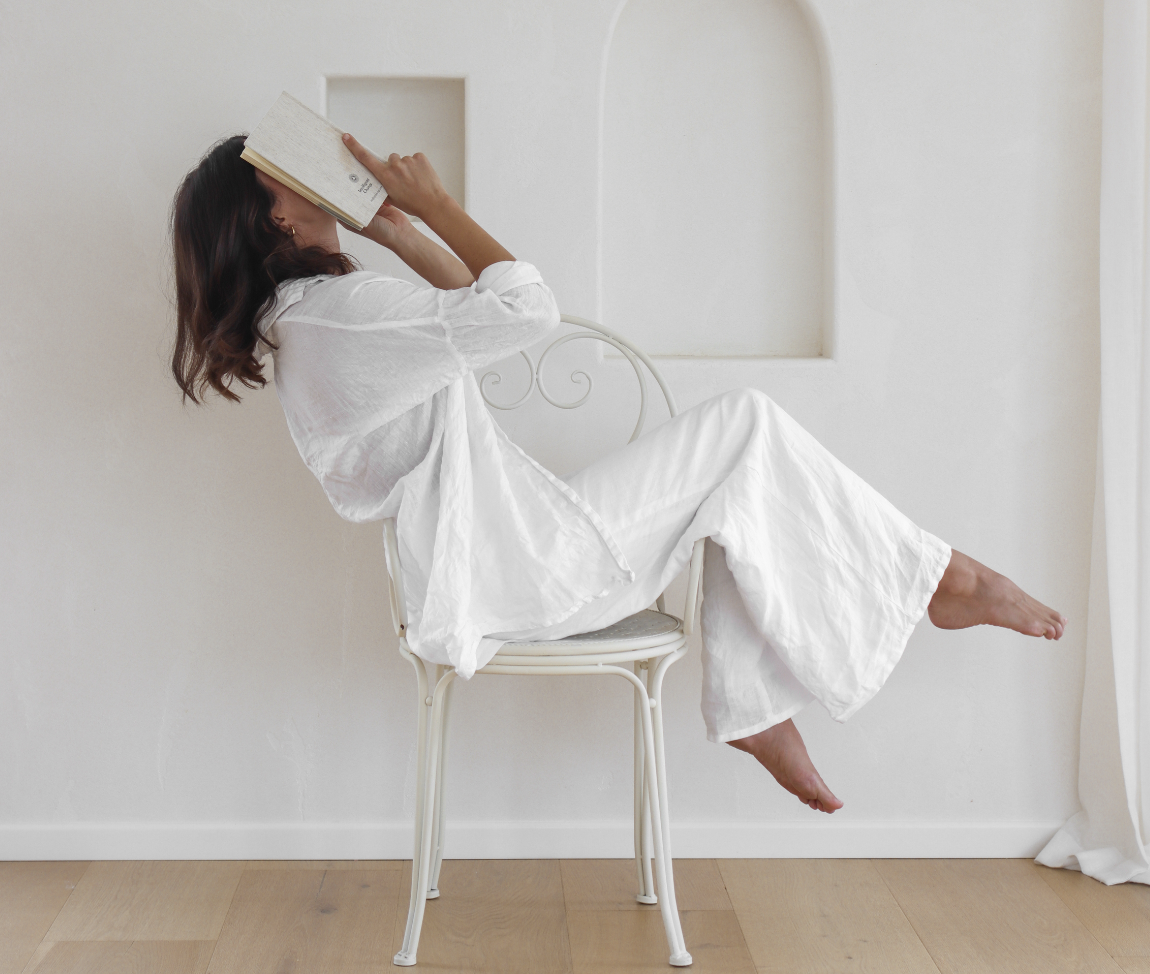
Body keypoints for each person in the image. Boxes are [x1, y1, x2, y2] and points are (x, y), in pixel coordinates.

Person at [171, 134, 1067, 816]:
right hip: (529, 569)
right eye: (284, 172)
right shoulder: (343, 317)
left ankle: (762, 696)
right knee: (743, 428)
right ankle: (944, 579)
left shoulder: (312, 325)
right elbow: (523, 310)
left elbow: (465, 312)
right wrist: (440, 203)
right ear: (275, 219)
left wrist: (394, 226)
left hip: (503, 559)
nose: (306, 170)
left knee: (736, 469)